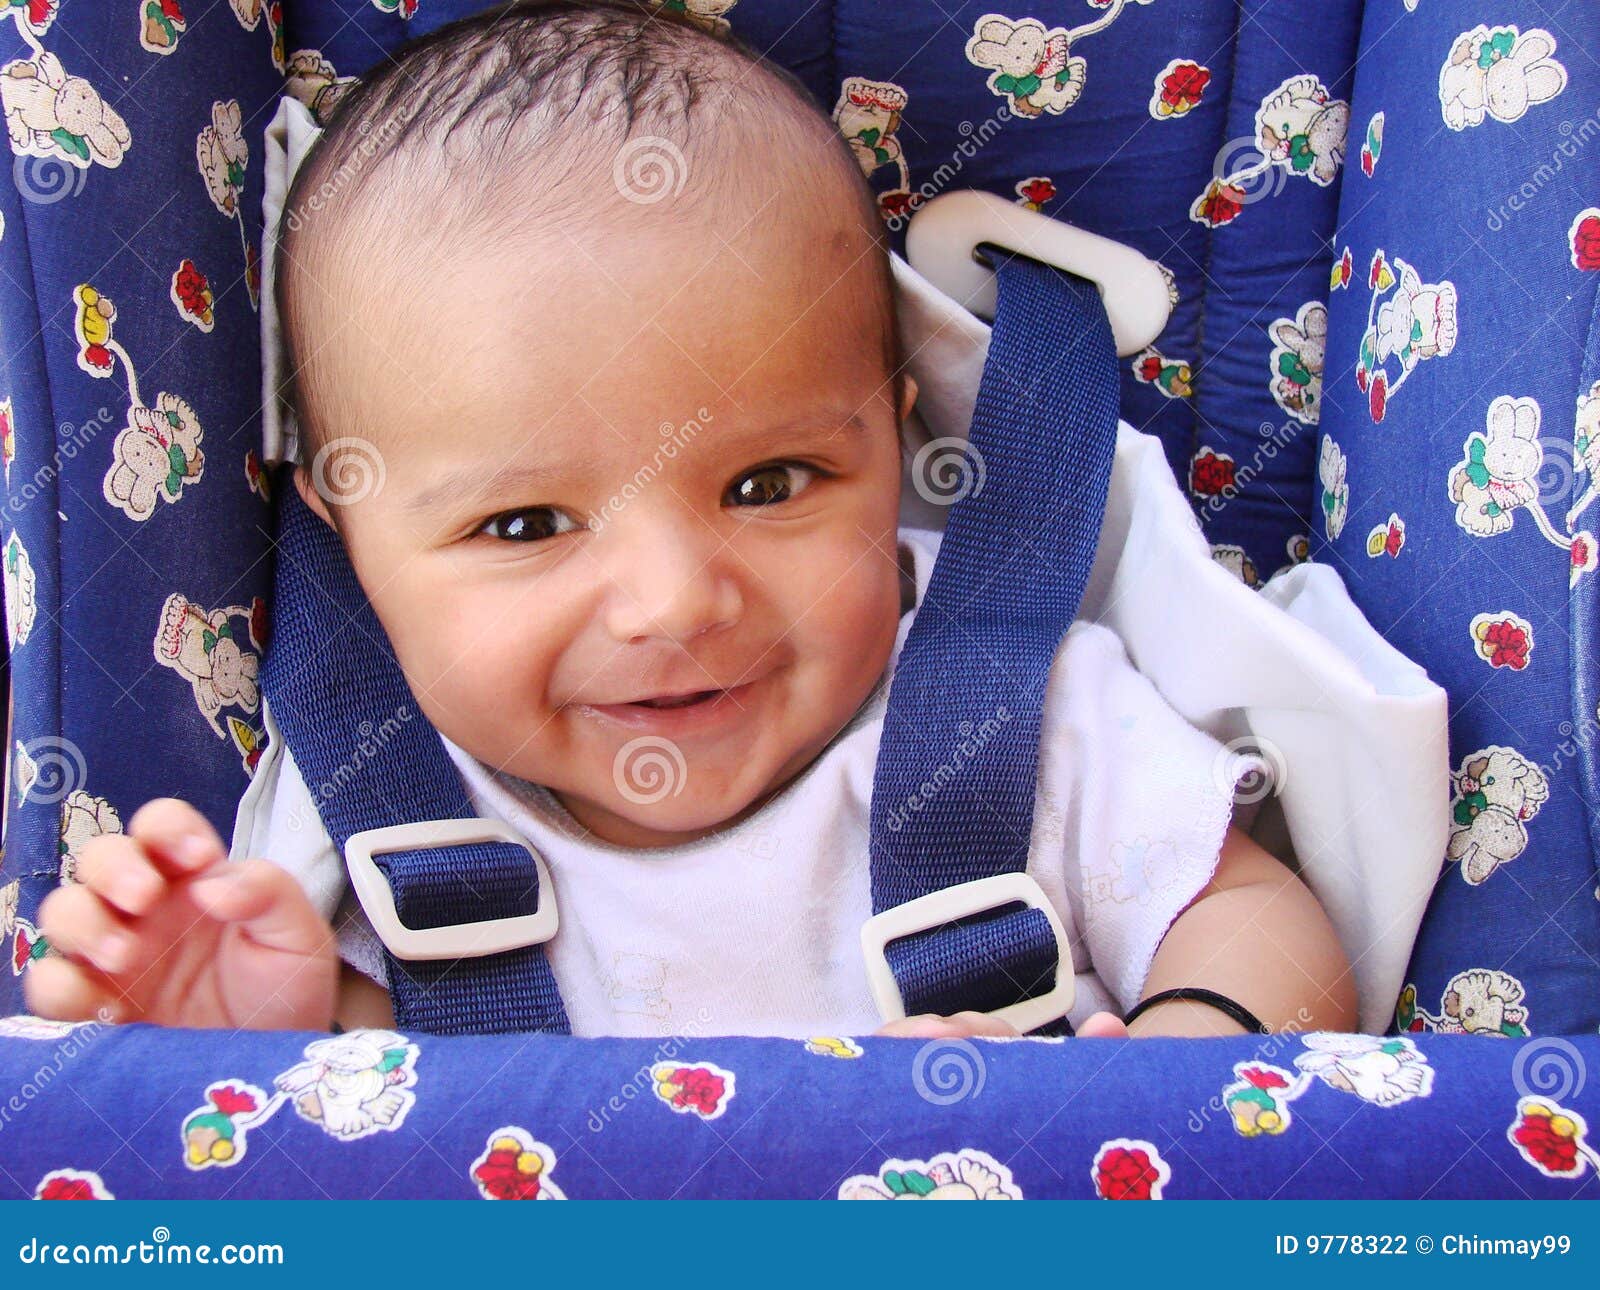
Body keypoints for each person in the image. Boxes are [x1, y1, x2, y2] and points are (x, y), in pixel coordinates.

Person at [26, 0, 1355, 1042]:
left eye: (769, 486)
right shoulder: (368, 793)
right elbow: (412, 1119)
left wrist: (1185, 1050)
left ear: (896, 442)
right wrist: (273, 1034)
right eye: (526, 522)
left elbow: (1254, 916)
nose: (672, 599)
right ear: (351, 531)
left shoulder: (1014, 712)